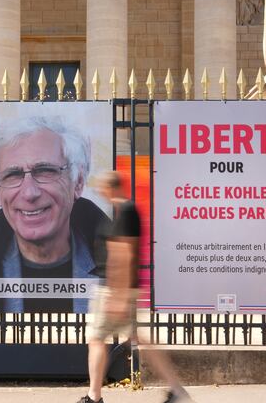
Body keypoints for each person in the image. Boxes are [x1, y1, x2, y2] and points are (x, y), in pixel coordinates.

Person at [0, 116, 110, 313]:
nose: (29, 193)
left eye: (45, 171)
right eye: (13, 175)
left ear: (78, 182)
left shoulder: (118, 265)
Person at [78, 171, 192, 403]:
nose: (100, 192)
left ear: (110, 188)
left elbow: (124, 255)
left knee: (97, 338)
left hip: (113, 289)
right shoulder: (124, 211)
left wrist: (117, 296)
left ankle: (94, 396)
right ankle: (176, 390)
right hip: (117, 288)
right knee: (136, 338)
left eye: (102, 188)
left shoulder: (126, 212)